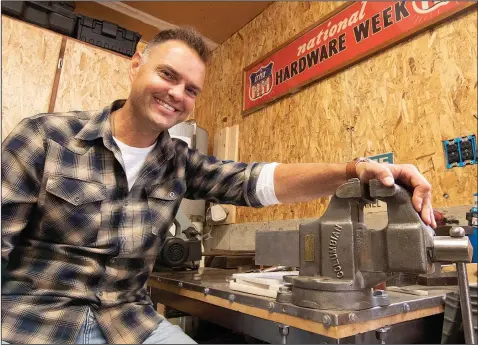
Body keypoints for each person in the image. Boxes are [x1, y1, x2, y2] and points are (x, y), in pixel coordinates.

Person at [1, 27, 436, 345]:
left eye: (191, 89)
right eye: (168, 75)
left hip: (129, 323)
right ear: (136, 64)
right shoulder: (44, 137)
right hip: (30, 323)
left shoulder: (180, 163)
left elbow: (257, 180)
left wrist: (355, 171)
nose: (176, 94)